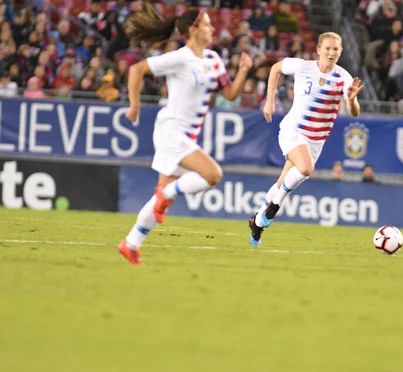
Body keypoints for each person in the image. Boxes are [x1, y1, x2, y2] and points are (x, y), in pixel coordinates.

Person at [117, 4, 252, 265]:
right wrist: (134, 106)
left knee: (165, 192)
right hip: (170, 131)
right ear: (193, 29)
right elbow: (137, 69)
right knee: (212, 174)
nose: (212, 29)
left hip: (185, 137)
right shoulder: (180, 57)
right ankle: (163, 196)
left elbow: (230, 95)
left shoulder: (213, 59)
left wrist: (244, 70)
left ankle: (130, 243)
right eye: (207, 24)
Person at [248, 32, 363, 246]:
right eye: (327, 48)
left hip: (315, 141)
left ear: (340, 52)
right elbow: (275, 68)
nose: (331, 53)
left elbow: (354, 111)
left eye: (335, 49)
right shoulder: (302, 66)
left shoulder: (344, 78)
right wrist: (269, 101)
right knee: (306, 169)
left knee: (283, 181)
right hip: (292, 130)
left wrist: (353, 99)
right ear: (318, 50)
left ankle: (257, 223)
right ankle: (273, 209)